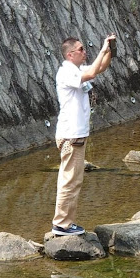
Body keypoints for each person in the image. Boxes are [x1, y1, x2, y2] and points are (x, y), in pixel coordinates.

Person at [52, 34, 116, 236]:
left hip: (76, 134)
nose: (84, 51)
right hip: (70, 135)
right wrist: (102, 50)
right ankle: (62, 224)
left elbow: (99, 68)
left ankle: (66, 223)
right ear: (70, 54)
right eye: (80, 49)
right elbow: (89, 76)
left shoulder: (76, 69)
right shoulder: (66, 73)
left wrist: (110, 50)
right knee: (69, 180)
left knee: (74, 180)